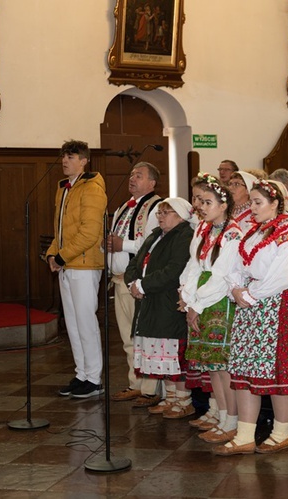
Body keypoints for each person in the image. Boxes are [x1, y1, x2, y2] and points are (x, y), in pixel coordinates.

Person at [215, 179, 288, 456]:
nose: (252, 208)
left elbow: (282, 275)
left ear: (276, 204)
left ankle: (281, 433)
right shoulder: (254, 232)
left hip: (277, 305)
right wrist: (235, 288)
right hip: (250, 304)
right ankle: (244, 435)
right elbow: (236, 264)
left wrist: (250, 294)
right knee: (245, 368)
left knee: (279, 370)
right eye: (252, 202)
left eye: (258, 203)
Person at [180, 174, 243, 442]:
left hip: (219, 300)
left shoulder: (233, 233)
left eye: (208, 202)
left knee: (223, 365)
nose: (201, 207)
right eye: (200, 201)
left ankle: (232, 421)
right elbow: (194, 264)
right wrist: (185, 293)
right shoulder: (203, 229)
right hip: (200, 299)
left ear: (223, 205)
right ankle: (222, 415)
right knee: (212, 366)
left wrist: (195, 304)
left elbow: (220, 276)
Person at [46, 140, 107, 399]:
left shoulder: (92, 188)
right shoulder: (64, 188)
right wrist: (52, 253)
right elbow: (61, 230)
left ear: (84, 161)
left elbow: (90, 232)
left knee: (85, 320)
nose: (64, 161)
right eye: (63, 156)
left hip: (84, 263)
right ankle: (82, 373)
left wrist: (61, 256)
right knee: (72, 322)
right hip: (68, 263)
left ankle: (94, 378)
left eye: (70, 157)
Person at [125, 198, 195, 418]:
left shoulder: (184, 235)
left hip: (168, 301)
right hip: (150, 301)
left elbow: (174, 269)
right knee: (161, 353)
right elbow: (136, 262)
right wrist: (132, 282)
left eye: (167, 212)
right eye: (160, 213)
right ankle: (170, 398)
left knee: (173, 353)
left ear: (181, 215)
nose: (161, 216)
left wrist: (143, 284)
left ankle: (183, 402)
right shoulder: (156, 234)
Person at [109, 162, 163, 408]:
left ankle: (150, 389)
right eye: (131, 174)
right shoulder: (123, 206)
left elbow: (153, 243)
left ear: (152, 183)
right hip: (119, 280)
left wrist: (123, 246)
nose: (132, 178)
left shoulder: (156, 207)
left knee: (143, 336)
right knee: (127, 338)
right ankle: (135, 383)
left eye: (139, 175)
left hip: (138, 283)